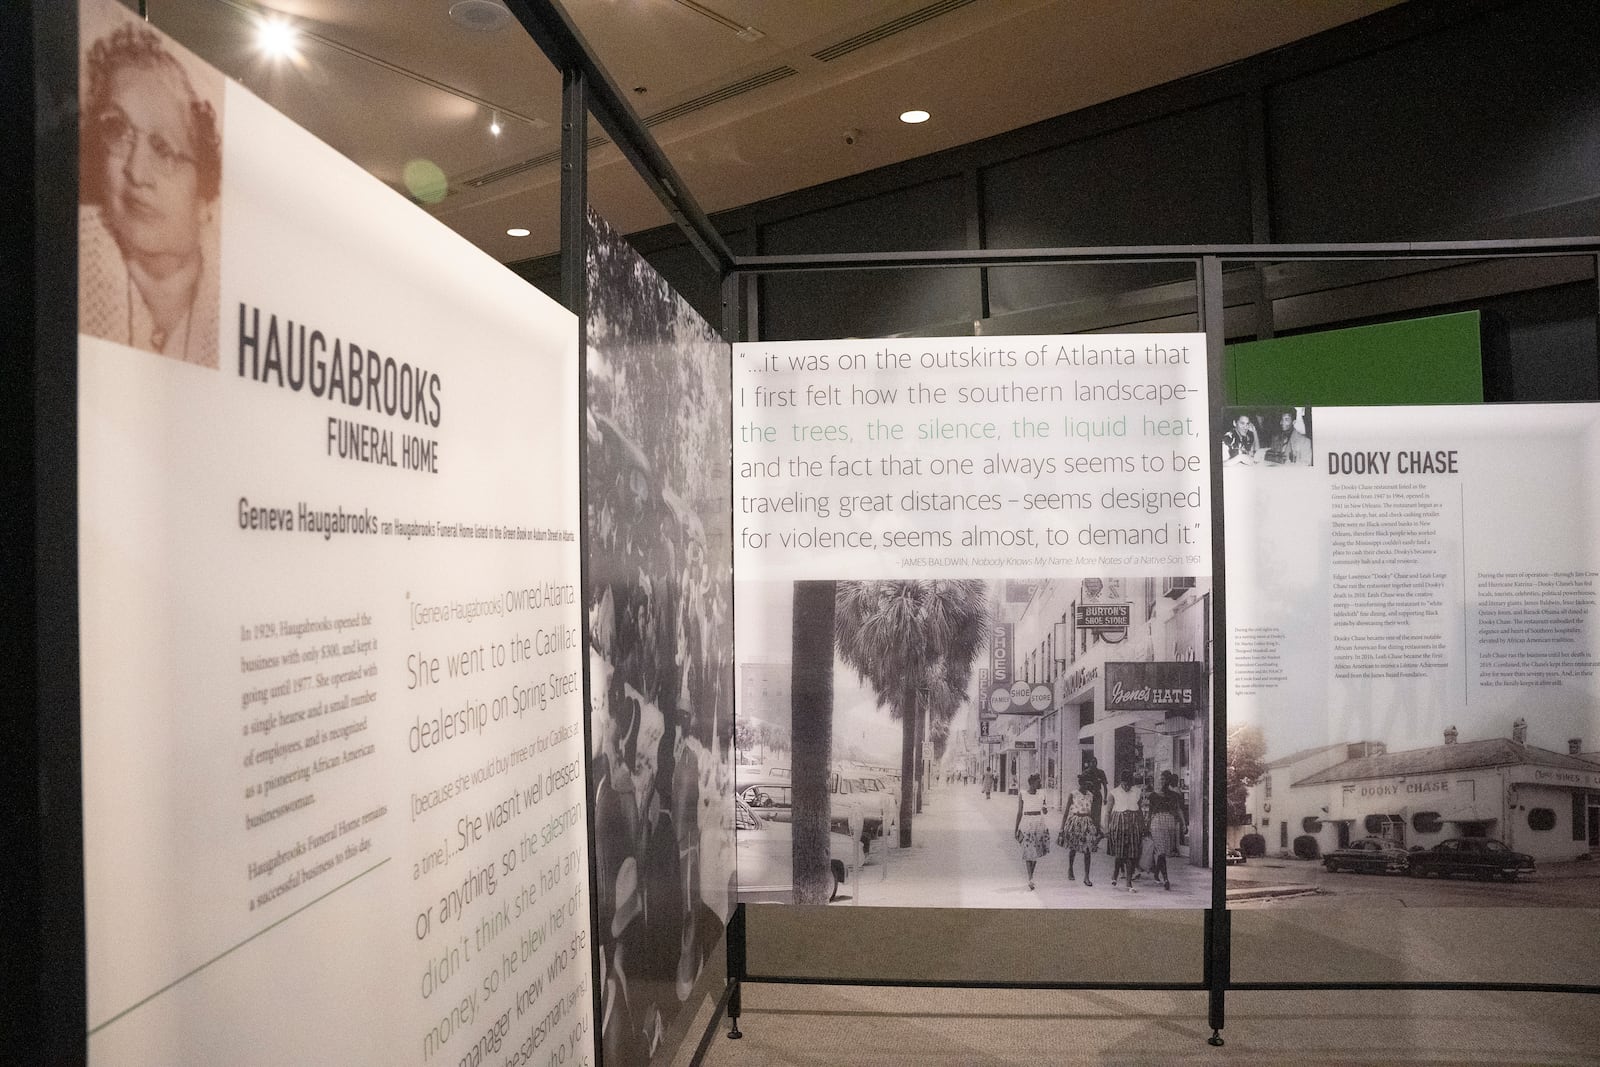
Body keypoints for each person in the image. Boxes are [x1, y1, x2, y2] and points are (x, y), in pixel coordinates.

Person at [80, 19, 222, 366]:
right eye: (117, 129)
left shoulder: (231, 303)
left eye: (164, 149)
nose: (136, 171)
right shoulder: (71, 256)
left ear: (203, 198)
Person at [1147, 770, 1188, 890]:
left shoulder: (1174, 795)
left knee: (1163, 852)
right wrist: (1146, 826)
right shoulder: (1153, 795)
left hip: (1169, 823)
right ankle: (1166, 879)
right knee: (1161, 852)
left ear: (1168, 781)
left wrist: (1184, 824)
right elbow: (1150, 813)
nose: (1162, 781)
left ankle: (1156, 874)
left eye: (1164, 779)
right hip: (1156, 822)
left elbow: (1179, 810)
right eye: (1161, 779)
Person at [1057, 772, 1100, 886]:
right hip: (1075, 822)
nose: (1086, 785)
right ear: (1080, 783)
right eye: (1084, 783)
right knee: (1073, 848)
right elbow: (1066, 812)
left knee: (1088, 850)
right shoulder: (1073, 794)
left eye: (1087, 783)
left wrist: (1096, 827)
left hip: (1087, 822)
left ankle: (1087, 876)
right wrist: (1062, 828)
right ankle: (1070, 868)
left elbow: (1094, 813)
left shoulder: (1091, 795)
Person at [1104, 768, 1143, 892]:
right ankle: (1115, 872)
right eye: (1125, 784)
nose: (1127, 786)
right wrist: (1106, 827)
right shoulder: (1113, 793)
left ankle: (1128, 883)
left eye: (1129, 784)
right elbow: (1108, 812)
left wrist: (1143, 825)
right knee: (1120, 853)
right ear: (1121, 782)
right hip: (1118, 824)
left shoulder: (1137, 792)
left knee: (1131, 854)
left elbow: (1140, 810)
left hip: (1133, 824)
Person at [1013, 773, 1050, 890]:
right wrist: (1016, 828)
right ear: (1032, 783)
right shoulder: (1022, 794)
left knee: (1036, 852)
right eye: (1038, 781)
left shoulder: (1042, 793)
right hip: (1027, 824)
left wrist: (1045, 809)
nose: (1040, 783)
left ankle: (1031, 876)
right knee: (1029, 851)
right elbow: (1019, 812)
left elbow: (1045, 810)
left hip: (1039, 824)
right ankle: (1030, 878)